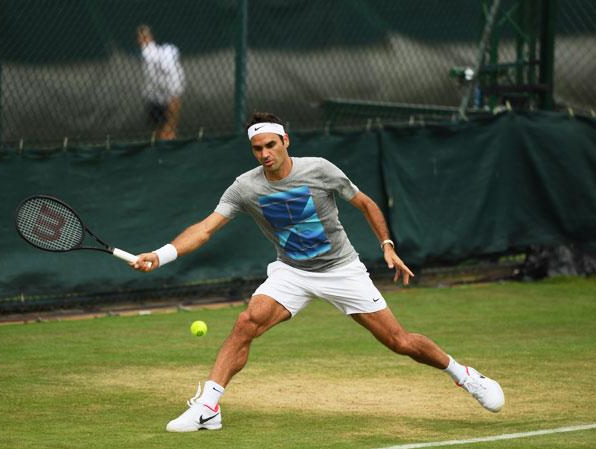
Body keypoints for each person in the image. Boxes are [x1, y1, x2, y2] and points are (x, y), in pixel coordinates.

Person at [131, 112, 504, 432]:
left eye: (270, 146)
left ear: (285, 141)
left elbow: (365, 203)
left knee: (400, 342)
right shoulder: (245, 187)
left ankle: (464, 376)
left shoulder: (320, 170)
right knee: (248, 321)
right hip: (291, 272)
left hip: (342, 270)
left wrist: (386, 246)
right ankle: (209, 408)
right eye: (257, 148)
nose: (265, 154)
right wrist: (161, 255)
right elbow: (206, 228)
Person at [136, 24, 185, 141]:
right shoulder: (148, 54)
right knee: (157, 133)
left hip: (168, 96)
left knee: (168, 133)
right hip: (155, 98)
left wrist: (170, 127)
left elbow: (175, 96)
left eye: (145, 36)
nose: (143, 40)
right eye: (140, 37)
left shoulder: (163, 57)